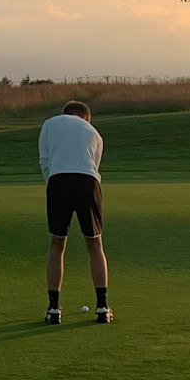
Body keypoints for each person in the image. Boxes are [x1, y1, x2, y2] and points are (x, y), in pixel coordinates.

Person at [38, 99, 110, 324]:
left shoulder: (49, 124)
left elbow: (45, 161)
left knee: (56, 244)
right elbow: (93, 168)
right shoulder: (95, 133)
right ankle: (102, 307)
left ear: (65, 114)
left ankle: (53, 310)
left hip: (58, 181)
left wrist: (53, 188)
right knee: (95, 244)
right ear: (85, 117)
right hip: (87, 183)